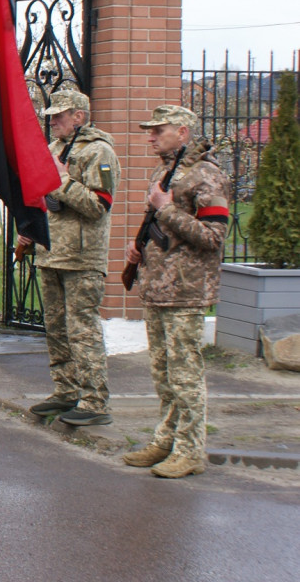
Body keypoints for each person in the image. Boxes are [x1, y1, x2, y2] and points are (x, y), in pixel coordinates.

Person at [123, 105, 229, 479]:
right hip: (158, 287)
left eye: (158, 130)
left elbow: (213, 237)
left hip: (186, 290)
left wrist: (165, 211)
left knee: (186, 376)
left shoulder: (206, 175)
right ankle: (165, 440)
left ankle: (190, 450)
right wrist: (140, 249)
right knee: (163, 374)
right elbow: (163, 227)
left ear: (182, 132)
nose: (150, 136)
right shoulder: (166, 169)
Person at [20, 90, 119, 427]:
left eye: (60, 115)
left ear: (79, 116)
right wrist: (30, 230)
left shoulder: (99, 152)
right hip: (52, 253)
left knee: (82, 330)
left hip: (81, 257)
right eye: (51, 115)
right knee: (57, 330)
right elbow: (40, 195)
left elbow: (98, 206)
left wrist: (62, 179)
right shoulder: (54, 150)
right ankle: (66, 390)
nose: (54, 120)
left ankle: (94, 400)